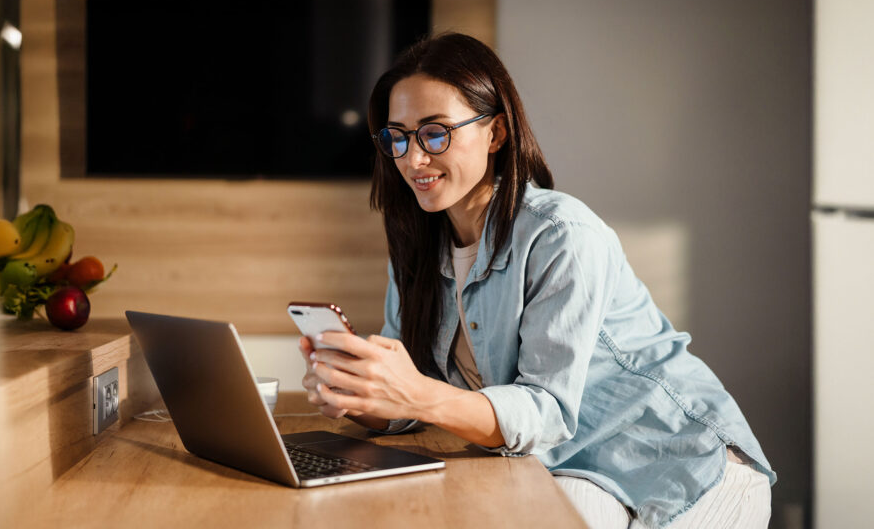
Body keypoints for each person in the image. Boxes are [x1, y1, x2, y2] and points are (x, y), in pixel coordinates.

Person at [297, 33, 775, 528]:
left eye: (435, 133)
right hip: (570, 465)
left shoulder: (562, 234)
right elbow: (418, 398)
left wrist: (414, 393)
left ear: (496, 133)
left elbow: (544, 411)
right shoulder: (416, 246)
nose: (412, 159)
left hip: (683, 469)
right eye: (397, 136)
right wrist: (361, 393)